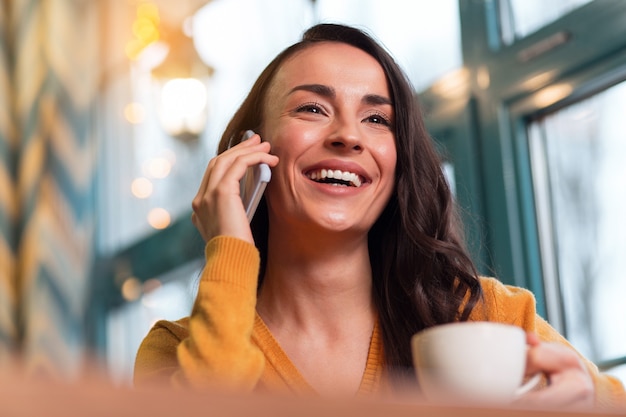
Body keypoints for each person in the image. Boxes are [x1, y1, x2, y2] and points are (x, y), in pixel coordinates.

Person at [134, 23, 625, 408]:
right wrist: (231, 248)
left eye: (377, 119)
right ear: (249, 154)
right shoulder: (172, 352)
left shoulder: (487, 316)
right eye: (311, 109)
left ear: (399, 162)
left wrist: (587, 399)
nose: (349, 135)